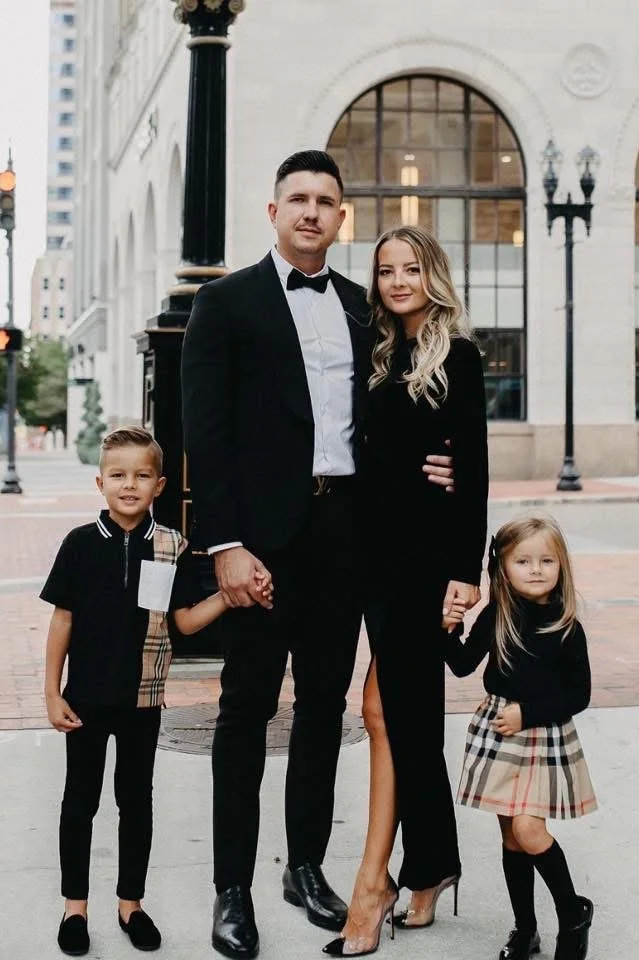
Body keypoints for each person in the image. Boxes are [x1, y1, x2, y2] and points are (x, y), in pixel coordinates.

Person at [180, 151, 456, 960]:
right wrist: (226, 545)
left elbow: (403, 411)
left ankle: (303, 868)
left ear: (341, 218)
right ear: (273, 212)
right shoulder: (224, 304)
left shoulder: (363, 310)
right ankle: (232, 887)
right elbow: (206, 434)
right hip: (259, 544)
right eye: (297, 198)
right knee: (245, 710)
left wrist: (444, 462)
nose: (311, 211)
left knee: (323, 708)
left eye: (325, 201)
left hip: (347, 537)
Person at [42, 426, 271, 958]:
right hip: (85, 700)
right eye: (118, 475)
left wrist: (229, 596)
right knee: (80, 801)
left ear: (159, 484)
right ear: (100, 482)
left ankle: (131, 904)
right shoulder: (79, 544)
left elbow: (184, 622)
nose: (129, 485)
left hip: (142, 701)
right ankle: (75, 908)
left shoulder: (171, 547)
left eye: (141, 475)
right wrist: (52, 693)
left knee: (136, 802)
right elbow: (62, 622)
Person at [322, 226, 488, 957]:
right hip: (371, 555)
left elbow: (472, 468)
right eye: (385, 269)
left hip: (425, 559)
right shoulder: (375, 351)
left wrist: (465, 572)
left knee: (395, 711)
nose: (396, 281)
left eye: (410, 268)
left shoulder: (458, 356)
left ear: (432, 274)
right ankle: (428, 867)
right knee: (399, 715)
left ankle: (377, 885)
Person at [445, 516, 596, 960]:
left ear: (561, 566)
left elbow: (579, 694)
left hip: (541, 734)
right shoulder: (498, 615)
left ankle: (572, 914)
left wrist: (527, 713)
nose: (535, 569)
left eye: (547, 561)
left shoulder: (566, 626)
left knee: (530, 830)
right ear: (503, 569)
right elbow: (462, 665)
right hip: (500, 732)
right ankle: (525, 929)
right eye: (523, 561)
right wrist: (448, 629)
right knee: (512, 837)